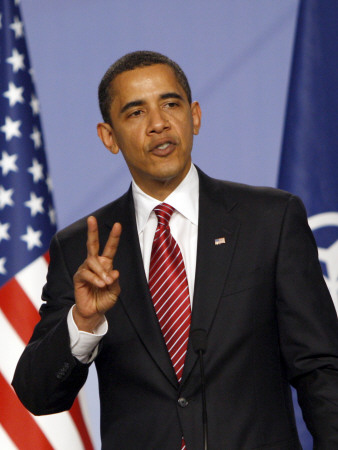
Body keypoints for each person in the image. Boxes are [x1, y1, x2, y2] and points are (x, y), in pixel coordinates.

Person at [12, 51, 338, 450]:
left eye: (170, 104)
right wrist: (83, 321)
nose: (158, 123)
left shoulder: (270, 220)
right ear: (109, 137)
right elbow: (37, 395)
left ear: (194, 116)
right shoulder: (80, 248)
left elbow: (322, 369)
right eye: (135, 112)